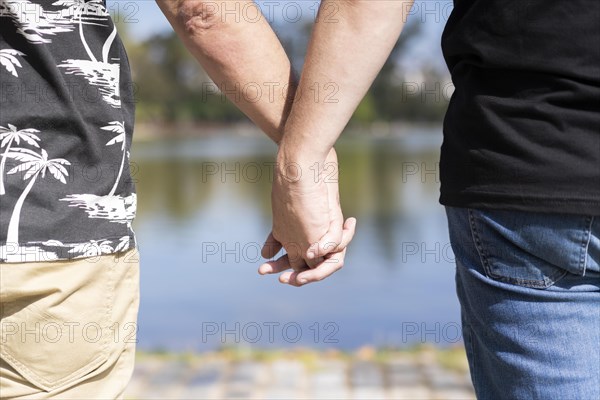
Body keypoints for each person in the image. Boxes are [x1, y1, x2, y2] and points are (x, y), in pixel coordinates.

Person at [1, 0, 598, 399]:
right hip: (48, 234)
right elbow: (202, 10)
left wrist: (304, 157)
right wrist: (305, 155)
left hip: (541, 165)